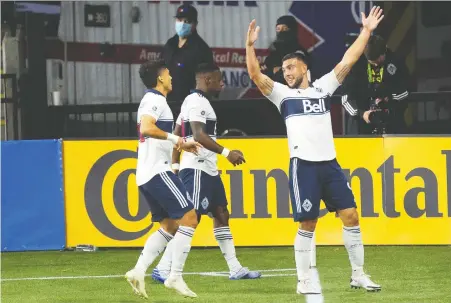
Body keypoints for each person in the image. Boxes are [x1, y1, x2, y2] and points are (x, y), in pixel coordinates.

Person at [245, 6, 384, 295]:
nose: (287, 73)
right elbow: (256, 74)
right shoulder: (282, 96)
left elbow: (349, 59)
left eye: (291, 67)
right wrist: (249, 47)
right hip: (303, 166)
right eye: (284, 70)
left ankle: (358, 274)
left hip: (330, 165)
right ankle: (304, 278)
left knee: (352, 217)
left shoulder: (323, 88)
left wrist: (366, 31)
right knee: (308, 223)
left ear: (304, 67)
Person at [151, 63, 261, 283]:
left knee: (221, 214)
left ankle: (235, 268)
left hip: (207, 169)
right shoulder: (197, 102)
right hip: (198, 168)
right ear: (207, 80)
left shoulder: (192, 102)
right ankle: (163, 268)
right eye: (219, 79)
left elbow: (176, 135)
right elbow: (198, 135)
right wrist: (227, 152)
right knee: (190, 219)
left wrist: (175, 166)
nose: (222, 83)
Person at [125, 60, 202, 299]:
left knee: (169, 226)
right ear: (160, 78)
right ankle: (175, 276)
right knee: (190, 218)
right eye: (168, 74)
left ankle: (138, 271)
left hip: (147, 173)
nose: (171, 78)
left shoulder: (153, 100)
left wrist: (180, 145)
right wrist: (178, 140)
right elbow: (147, 128)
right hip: (156, 172)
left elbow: (151, 133)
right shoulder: (155, 100)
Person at [341, 35, 410, 134]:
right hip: (361, 126)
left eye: (379, 60)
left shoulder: (395, 61)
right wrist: (362, 114)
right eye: (372, 63)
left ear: (385, 51)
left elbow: (406, 88)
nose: (376, 65)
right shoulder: (355, 64)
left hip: (392, 122)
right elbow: (345, 98)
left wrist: (389, 98)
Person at [162, 3, 214, 102]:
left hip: (189, 108)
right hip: (168, 105)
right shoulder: (170, 44)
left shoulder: (201, 49)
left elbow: (205, 85)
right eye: (179, 20)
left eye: (187, 21)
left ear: (195, 24)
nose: (182, 24)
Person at [261, 15, 311, 84]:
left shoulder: (299, 52)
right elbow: (261, 74)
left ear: (292, 30)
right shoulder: (274, 52)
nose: (281, 32)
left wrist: (276, 71)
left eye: (285, 28)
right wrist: (276, 71)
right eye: (278, 29)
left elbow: (292, 77)